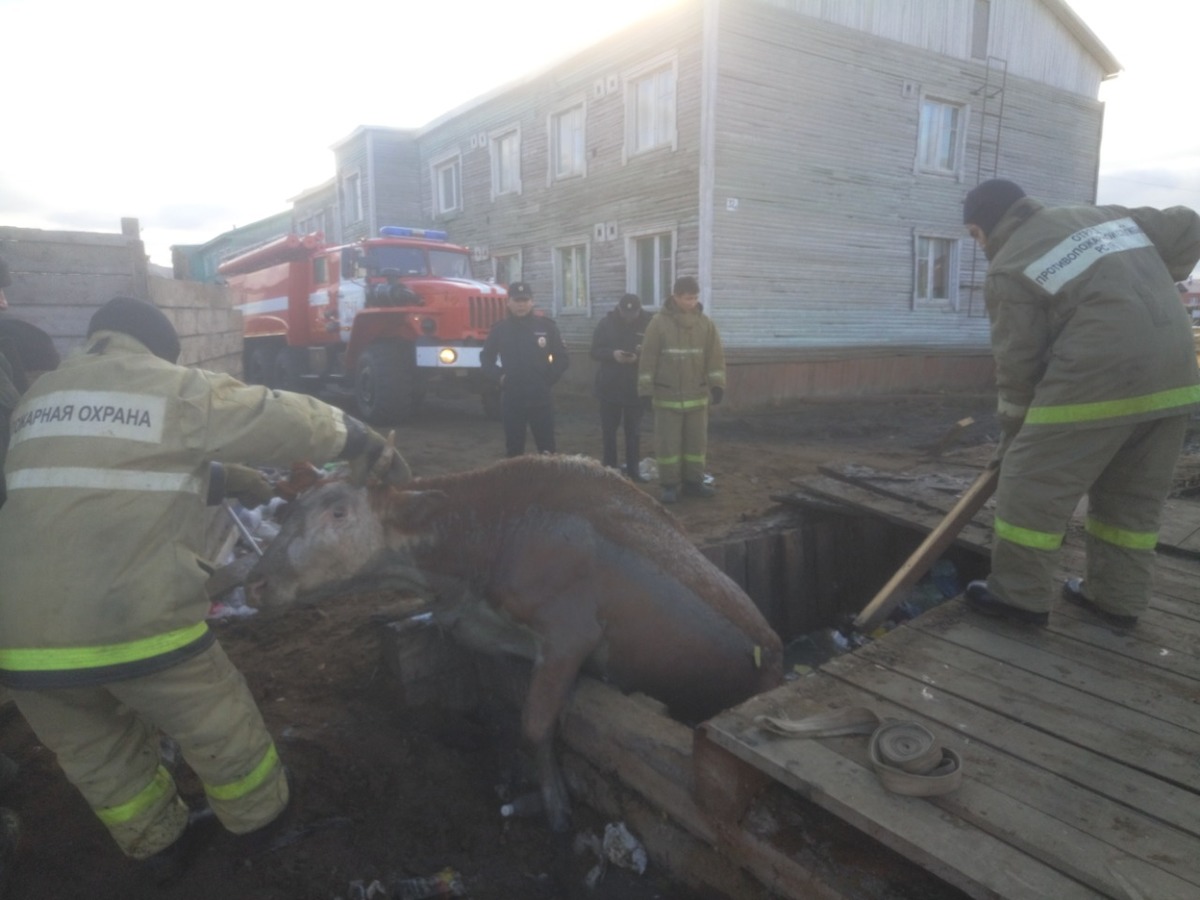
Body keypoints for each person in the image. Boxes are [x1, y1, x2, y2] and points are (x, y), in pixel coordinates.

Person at [0, 297, 411, 881]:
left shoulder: (40, 401)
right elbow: (274, 414)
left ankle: (158, 847)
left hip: (19, 640)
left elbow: (99, 467)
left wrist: (229, 479)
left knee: (99, 754)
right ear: (157, 348)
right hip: (131, 621)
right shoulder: (169, 386)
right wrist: (360, 439)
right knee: (219, 724)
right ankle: (262, 823)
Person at [960, 179, 1200, 630]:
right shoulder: (1102, 217)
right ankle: (1116, 600)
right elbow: (1189, 226)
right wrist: (1152, 279)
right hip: (1175, 375)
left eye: (975, 235)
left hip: (1099, 376)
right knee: (1131, 498)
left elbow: (1018, 366)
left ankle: (1018, 598)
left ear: (990, 223)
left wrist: (1013, 440)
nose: (980, 246)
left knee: (1030, 485)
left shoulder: (1009, 265)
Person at [637, 276, 726, 504]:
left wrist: (717, 385)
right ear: (675, 297)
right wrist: (645, 390)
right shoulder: (658, 323)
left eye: (695, 298)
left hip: (697, 397)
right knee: (669, 445)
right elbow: (648, 358)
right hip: (667, 397)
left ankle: (693, 483)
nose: (692, 302)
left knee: (696, 445)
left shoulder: (706, 325)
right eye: (688, 298)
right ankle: (669, 485)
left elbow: (715, 358)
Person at [480, 281, 569, 457]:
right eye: (516, 300)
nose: (521, 305)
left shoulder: (546, 327)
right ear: (509, 303)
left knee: (547, 449)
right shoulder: (500, 330)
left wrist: (547, 380)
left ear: (532, 302)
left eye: (525, 300)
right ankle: (515, 484)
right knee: (514, 448)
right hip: (513, 397)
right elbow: (486, 358)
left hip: (540, 397)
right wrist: (500, 377)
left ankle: (546, 483)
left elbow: (562, 358)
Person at [590, 293, 652, 480]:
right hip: (610, 387)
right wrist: (612, 354)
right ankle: (609, 471)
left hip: (635, 388)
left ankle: (633, 471)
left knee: (633, 432)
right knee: (609, 432)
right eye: (626, 313)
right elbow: (594, 351)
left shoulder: (649, 323)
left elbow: (657, 352)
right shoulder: (606, 324)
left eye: (633, 313)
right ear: (619, 308)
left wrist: (638, 358)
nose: (629, 317)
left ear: (639, 310)